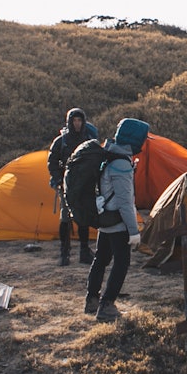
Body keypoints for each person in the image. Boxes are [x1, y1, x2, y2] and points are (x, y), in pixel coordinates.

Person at [85, 117, 149, 321]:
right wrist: (133, 231)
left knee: (101, 260)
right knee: (121, 263)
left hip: (105, 217)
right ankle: (106, 305)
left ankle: (92, 300)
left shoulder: (110, 154)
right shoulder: (121, 163)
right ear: (134, 139)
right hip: (117, 221)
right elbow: (125, 202)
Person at [47, 107, 98, 266]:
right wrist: (57, 179)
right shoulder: (61, 141)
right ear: (69, 122)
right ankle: (64, 253)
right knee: (65, 218)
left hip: (85, 184)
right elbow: (52, 162)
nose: (77, 123)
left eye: (79, 120)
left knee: (83, 217)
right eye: (74, 120)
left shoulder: (88, 139)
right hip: (66, 185)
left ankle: (84, 251)